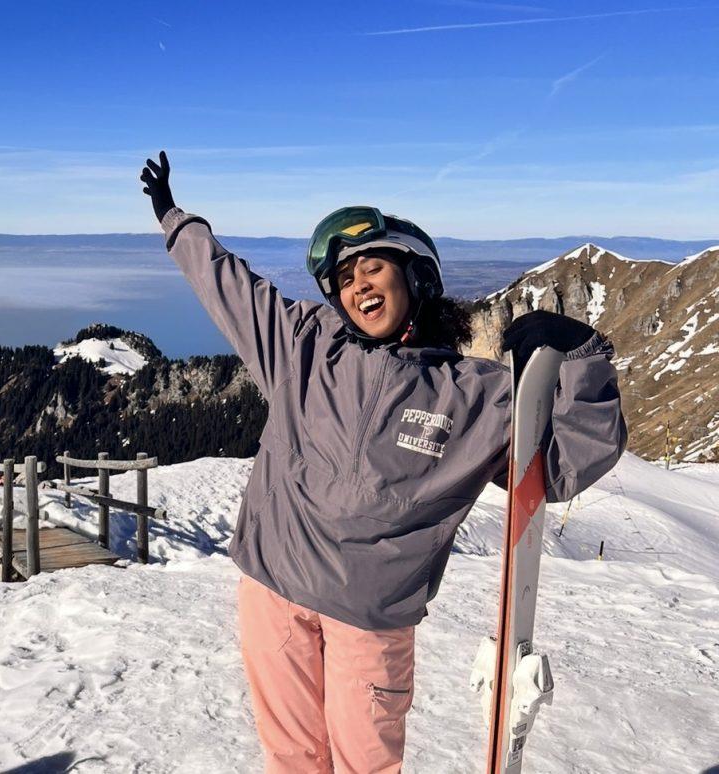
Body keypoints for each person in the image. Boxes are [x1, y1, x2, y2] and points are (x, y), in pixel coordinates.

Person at [140, 151, 626, 773]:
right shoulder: (304, 347)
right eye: (345, 279)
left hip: (369, 622)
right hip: (273, 593)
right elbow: (227, 285)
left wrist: (582, 357)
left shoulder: (474, 396)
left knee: (365, 764)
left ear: (416, 277)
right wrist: (174, 218)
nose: (358, 285)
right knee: (289, 758)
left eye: (373, 268)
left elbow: (562, 468)